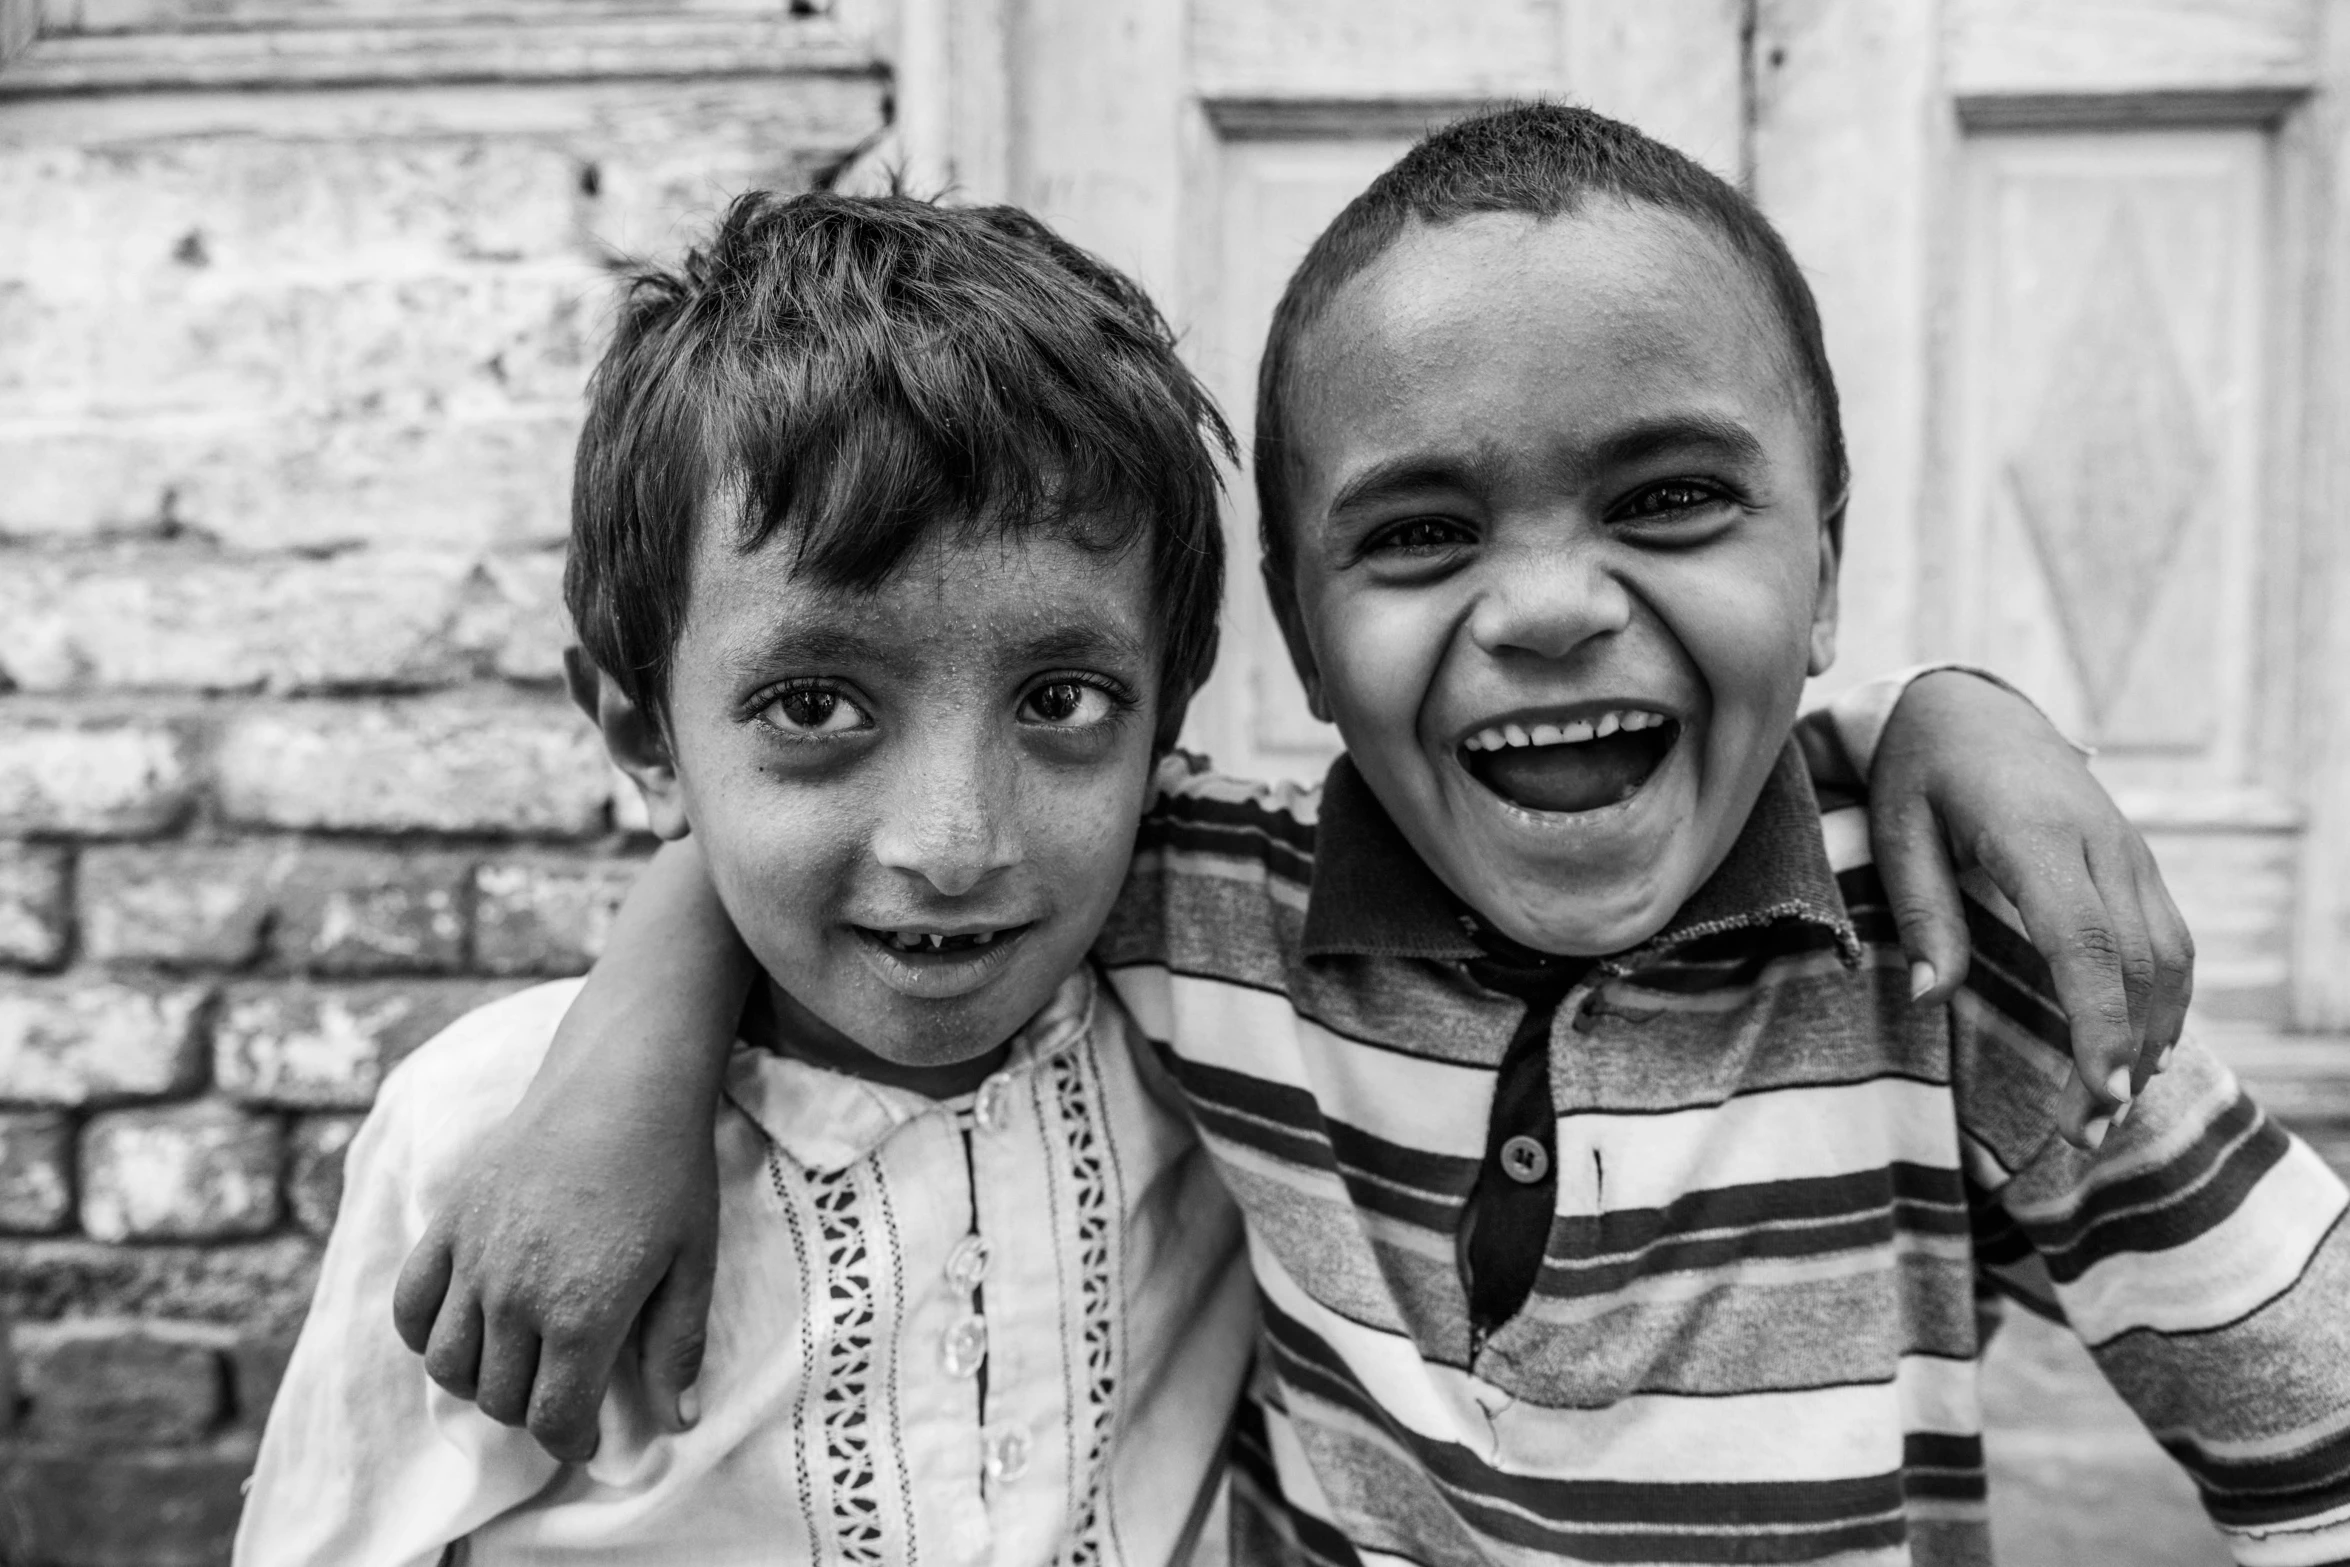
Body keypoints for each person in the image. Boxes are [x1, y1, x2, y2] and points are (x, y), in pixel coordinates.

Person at [386, 106, 2327, 1564]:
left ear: (1825, 567)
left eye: (1665, 502)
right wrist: (611, 1075)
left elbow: (2308, 1428)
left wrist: (1947, 713)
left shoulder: (1967, 963)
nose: (1550, 607)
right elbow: (856, 831)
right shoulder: (1203, 904)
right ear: (1303, 646)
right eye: (1416, 537)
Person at [234, 192, 1263, 1565]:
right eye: (815, 706)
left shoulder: (1214, 1044)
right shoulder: (481, 1135)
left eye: (1062, 697)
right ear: (642, 733)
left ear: (1167, 713)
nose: (951, 845)